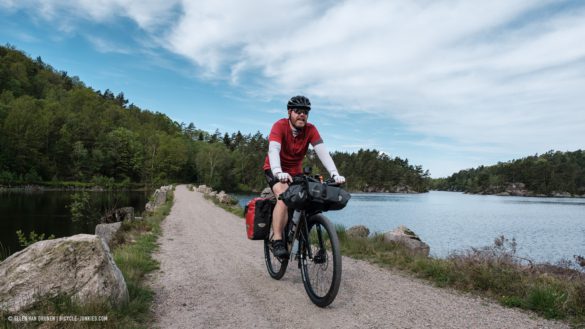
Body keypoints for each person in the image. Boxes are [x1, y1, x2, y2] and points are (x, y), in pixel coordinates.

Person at [263, 95, 346, 258]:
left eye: (305, 112)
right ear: (289, 112)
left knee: (308, 200)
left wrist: (334, 173)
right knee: (283, 196)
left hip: (295, 172)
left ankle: (299, 241)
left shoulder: (311, 129)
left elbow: (323, 152)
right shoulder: (279, 126)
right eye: (298, 111)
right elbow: (273, 150)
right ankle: (278, 240)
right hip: (274, 169)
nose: (302, 115)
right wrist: (278, 171)